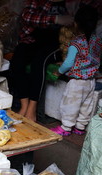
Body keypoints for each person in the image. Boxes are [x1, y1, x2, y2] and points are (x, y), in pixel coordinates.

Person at [8, 0, 74, 122]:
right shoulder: (37, 2)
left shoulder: (71, 4)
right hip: (33, 39)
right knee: (17, 61)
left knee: (39, 62)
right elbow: (26, 16)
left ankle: (32, 108)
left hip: (57, 43)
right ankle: (24, 105)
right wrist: (55, 19)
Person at [50, 5, 101, 136]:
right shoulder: (97, 40)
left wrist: (59, 71)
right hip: (91, 81)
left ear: (76, 24)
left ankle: (66, 127)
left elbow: (68, 63)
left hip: (77, 82)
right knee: (86, 106)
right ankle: (80, 127)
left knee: (70, 105)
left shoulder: (76, 43)